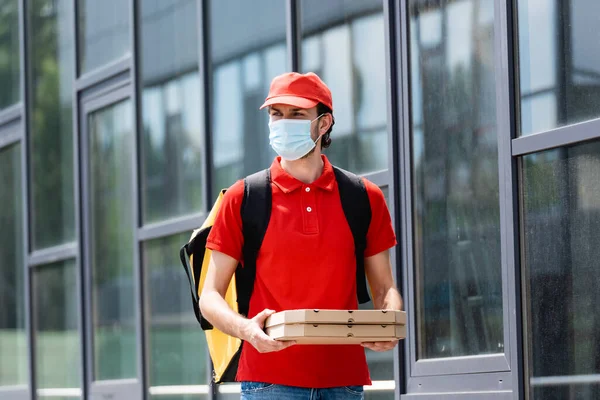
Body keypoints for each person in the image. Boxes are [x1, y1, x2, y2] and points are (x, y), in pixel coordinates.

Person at [199, 71, 403, 399]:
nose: (283, 123)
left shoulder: (364, 197)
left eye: (297, 114)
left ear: (324, 124)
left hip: (344, 383)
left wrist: (389, 321)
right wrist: (246, 330)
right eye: (276, 114)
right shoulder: (243, 197)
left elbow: (384, 287)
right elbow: (209, 297)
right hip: (269, 382)